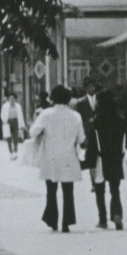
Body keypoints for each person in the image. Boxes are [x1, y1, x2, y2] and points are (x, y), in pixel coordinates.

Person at [29, 84, 85, 232]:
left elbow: (33, 132)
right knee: (68, 190)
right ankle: (67, 222)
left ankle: (52, 220)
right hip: (68, 156)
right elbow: (81, 138)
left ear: (52, 98)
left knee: (51, 190)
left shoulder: (46, 114)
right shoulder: (76, 116)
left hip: (51, 156)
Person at [83, 89, 127, 230]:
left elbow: (92, 144)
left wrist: (88, 161)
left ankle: (102, 219)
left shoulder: (95, 122)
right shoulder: (121, 120)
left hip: (100, 159)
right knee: (115, 189)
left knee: (99, 189)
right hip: (116, 157)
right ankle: (117, 214)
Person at [1, 92, 27, 161]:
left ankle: (15, 152)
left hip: (16, 122)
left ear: (15, 99)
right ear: (8, 99)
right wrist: (4, 121)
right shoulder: (5, 106)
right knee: (8, 138)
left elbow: (21, 115)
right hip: (8, 122)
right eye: (10, 98)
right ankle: (11, 153)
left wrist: (22, 125)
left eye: (13, 98)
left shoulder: (18, 106)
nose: (11, 100)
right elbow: (2, 114)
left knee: (15, 138)